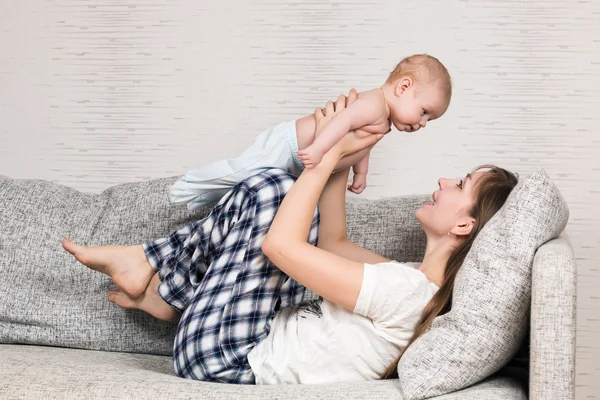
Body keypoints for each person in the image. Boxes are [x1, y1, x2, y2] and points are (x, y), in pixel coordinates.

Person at [62, 90, 517, 385]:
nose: (442, 181)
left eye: (459, 185)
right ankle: (164, 290)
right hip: (238, 339)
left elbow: (280, 248)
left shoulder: (408, 294)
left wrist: (328, 149)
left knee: (272, 188)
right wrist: (347, 151)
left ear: (464, 225)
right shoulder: (410, 282)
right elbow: (332, 244)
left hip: (225, 359)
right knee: (287, 202)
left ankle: (154, 271)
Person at [169, 54, 452, 211]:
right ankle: (185, 186)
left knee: (248, 188)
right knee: (244, 171)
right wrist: (318, 149)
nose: (423, 123)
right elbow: (341, 122)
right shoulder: (373, 104)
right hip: (288, 144)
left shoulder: (383, 119)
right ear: (403, 87)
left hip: (298, 159)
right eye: (425, 112)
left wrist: (360, 172)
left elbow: (362, 146)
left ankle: (196, 201)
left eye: (430, 119)